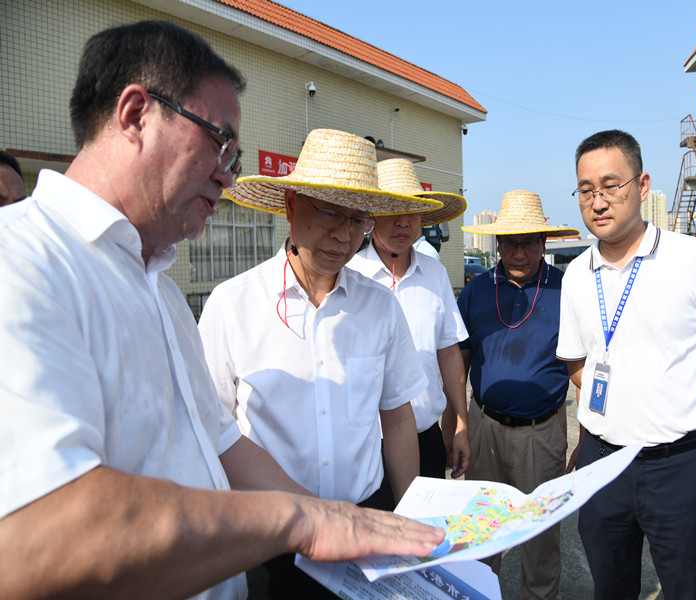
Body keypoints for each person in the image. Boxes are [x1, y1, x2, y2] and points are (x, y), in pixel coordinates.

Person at [0, 22, 443, 600]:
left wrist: (339, 520)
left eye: (234, 154)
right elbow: (35, 536)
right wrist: (301, 522)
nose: (227, 171)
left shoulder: (156, 287)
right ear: (135, 114)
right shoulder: (22, 262)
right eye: (219, 140)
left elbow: (218, 438)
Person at [198, 129, 442, 597]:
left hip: (366, 520)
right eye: (330, 212)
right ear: (291, 205)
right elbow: (210, 429)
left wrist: (407, 518)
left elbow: (395, 418)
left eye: (358, 220)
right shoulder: (232, 305)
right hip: (272, 535)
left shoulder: (380, 307)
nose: (343, 234)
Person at [556, 129, 696, 600]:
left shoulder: (693, 259)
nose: (598, 201)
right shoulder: (577, 276)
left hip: (679, 465)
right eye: (586, 190)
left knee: (691, 589)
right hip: (603, 463)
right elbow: (578, 365)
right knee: (612, 587)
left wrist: (681, 402)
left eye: (611, 185)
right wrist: (615, 412)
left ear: (642, 186)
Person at [457, 189, 579, 600]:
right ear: (498, 245)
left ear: (544, 243)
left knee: (540, 538)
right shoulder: (475, 291)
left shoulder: (567, 290)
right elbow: (458, 363)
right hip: (484, 425)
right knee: (480, 535)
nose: (520, 252)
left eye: (528, 242)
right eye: (511, 242)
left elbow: (586, 365)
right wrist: (457, 425)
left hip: (540, 432)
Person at [348, 158, 471, 487]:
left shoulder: (435, 274)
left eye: (412, 212)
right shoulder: (349, 276)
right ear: (372, 216)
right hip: (364, 444)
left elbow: (448, 351)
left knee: (425, 533)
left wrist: (459, 421)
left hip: (425, 437)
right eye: (391, 211)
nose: (403, 223)